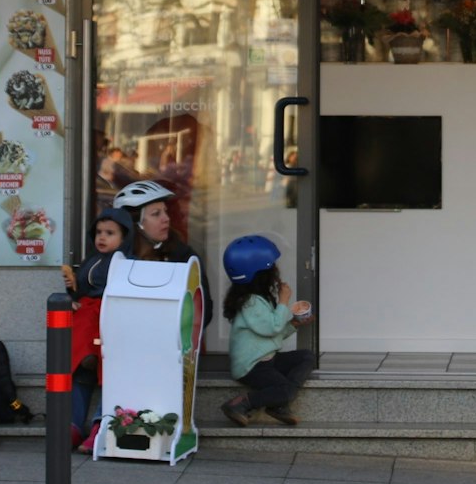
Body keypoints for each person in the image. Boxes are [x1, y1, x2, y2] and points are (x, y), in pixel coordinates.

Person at [217, 234, 313, 427]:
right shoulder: (251, 302)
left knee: (306, 357)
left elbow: (271, 333)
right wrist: (284, 300)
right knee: (285, 389)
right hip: (252, 366)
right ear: (261, 273)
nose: (277, 272)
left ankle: (277, 401)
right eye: (272, 268)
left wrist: (294, 324)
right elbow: (272, 327)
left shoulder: (258, 299)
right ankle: (242, 404)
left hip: (267, 359)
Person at [60, 207, 132, 451]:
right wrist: (72, 292)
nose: (102, 237)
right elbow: (83, 291)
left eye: (110, 233)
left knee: (109, 376)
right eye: (99, 232)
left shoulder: (128, 264)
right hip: (89, 326)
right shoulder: (92, 260)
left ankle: (100, 427)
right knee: (81, 373)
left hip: (111, 324)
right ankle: (72, 426)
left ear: (125, 237)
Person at [113, 179, 214, 327]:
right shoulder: (116, 258)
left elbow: (203, 311)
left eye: (165, 212)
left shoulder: (182, 256)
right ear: (135, 222)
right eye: (156, 214)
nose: (166, 219)